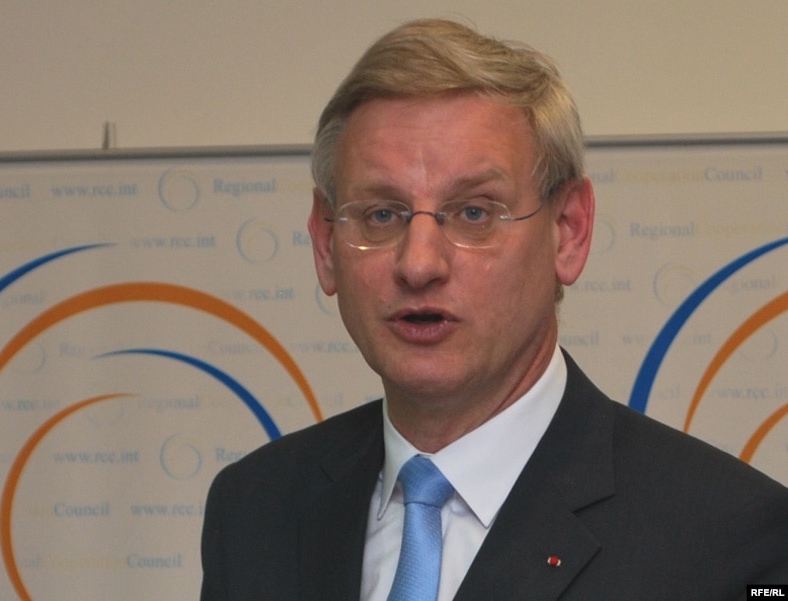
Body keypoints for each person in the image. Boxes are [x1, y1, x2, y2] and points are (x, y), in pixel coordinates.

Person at [200, 18, 788, 600]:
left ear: (569, 231)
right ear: (325, 243)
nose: (419, 264)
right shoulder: (254, 509)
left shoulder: (733, 539)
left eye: (474, 213)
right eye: (381, 215)